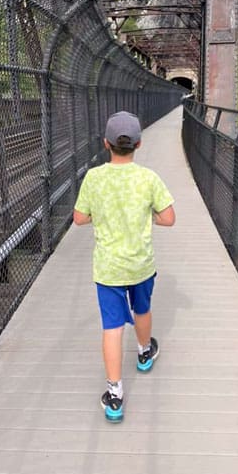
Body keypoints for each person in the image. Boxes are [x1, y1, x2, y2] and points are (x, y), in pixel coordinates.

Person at [73, 111, 175, 422]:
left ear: (105, 143)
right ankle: (145, 352)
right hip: (140, 265)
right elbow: (168, 218)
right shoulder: (148, 178)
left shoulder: (94, 178)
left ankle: (115, 394)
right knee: (142, 309)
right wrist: (148, 217)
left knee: (112, 328)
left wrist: (99, 216)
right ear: (139, 144)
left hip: (108, 269)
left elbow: (79, 218)